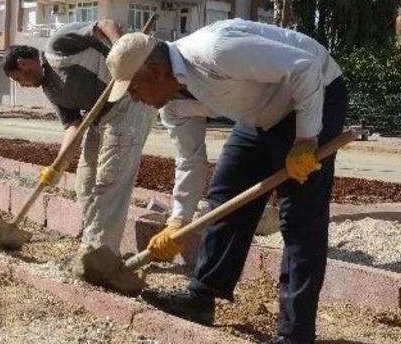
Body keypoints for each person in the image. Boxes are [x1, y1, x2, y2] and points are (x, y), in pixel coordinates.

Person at [105, 19, 347, 344]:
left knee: (299, 216)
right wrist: (177, 221)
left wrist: (305, 139)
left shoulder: (214, 50)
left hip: (311, 93)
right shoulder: (172, 106)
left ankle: (295, 333)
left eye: (134, 89)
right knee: (225, 196)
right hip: (260, 114)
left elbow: (304, 68)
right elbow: (190, 161)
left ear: (155, 70)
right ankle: (201, 297)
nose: (134, 99)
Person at [2, 20, 155, 288]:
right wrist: (57, 166)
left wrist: (122, 52)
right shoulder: (50, 89)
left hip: (129, 102)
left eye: (18, 79)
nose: (22, 85)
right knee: (84, 183)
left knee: (110, 180)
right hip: (99, 117)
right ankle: (92, 245)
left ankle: (102, 253)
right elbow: (72, 126)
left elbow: (105, 23)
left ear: (25, 64)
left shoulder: (58, 46)